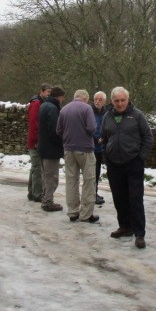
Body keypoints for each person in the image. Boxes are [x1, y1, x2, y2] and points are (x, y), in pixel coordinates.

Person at [101, 87, 153, 249]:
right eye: (116, 101)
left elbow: (148, 137)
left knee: (135, 198)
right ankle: (125, 227)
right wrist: (106, 156)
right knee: (119, 197)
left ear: (128, 99)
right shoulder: (107, 117)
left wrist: (140, 157)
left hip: (133, 163)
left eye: (122, 100)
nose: (120, 103)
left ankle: (139, 234)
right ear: (112, 101)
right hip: (114, 164)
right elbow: (104, 138)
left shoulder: (137, 115)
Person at [56, 89, 99, 223]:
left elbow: (58, 130)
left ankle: (73, 211)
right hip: (85, 149)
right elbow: (92, 128)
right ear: (85, 98)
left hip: (68, 149)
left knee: (71, 180)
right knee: (89, 180)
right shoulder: (87, 109)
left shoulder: (64, 110)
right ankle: (86, 214)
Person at [38, 86, 66, 212]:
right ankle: (48, 202)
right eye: (62, 96)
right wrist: (61, 144)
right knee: (52, 177)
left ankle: (46, 199)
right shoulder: (53, 108)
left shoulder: (44, 105)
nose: (63, 99)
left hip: (43, 146)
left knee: (46, 175)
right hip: (51, 148)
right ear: (58, 96)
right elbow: (56, 130)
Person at [26, 83, 52, 202]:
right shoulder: (36, 103)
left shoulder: (40, 103)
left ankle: (32, 192)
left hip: (35, 140)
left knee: (35, 167)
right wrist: (36, 140)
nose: (49, 94)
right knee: (37, 168)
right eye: (47, 92)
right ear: (41, 91)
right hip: (35, 141)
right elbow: (34, 123)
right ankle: (37, 194)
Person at [91, 91, 108, 205]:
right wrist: (97, 138)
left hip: (100, 148)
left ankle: (94, 193)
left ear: (104, 101)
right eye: (96, 99)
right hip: (90, 146)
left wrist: (104, 137)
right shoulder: (89, 111)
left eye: (100, 99)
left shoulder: (106, 113)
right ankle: (91, 195)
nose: (97, 101)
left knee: (97, 173)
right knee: (91, 173)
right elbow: (87, 127)